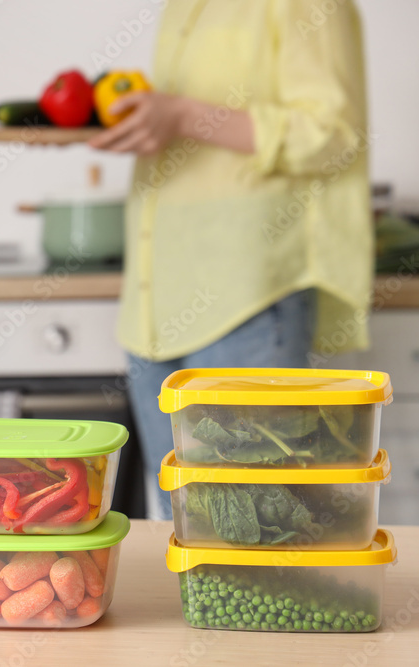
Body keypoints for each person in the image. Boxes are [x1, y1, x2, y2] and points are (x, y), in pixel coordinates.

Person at [88, 0, 372, 519]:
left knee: (257, 525)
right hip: (155, 300)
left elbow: (333, 135)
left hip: (247, 295)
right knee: (187, 520)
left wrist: (182, 115)